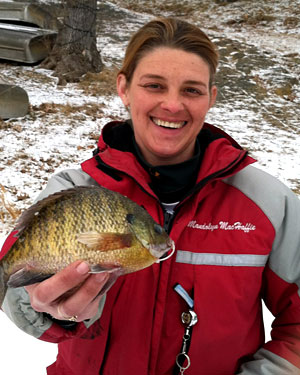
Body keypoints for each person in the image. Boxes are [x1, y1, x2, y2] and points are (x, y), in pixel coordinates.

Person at [2, 17, 300, 375]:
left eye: (192, 90)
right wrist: (53, 311)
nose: (172, 105)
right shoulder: (73, 190)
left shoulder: (269, 203)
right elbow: (14, 284)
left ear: (211, 98)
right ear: (124, 88)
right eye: (154, 85)